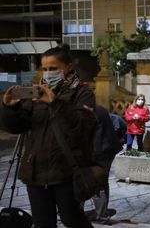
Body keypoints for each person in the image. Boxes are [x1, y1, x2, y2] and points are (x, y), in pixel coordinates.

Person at [0, 47, 96, 228]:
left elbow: (83, 126)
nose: (48, 73)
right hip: (35, 171)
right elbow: (16, 127)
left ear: (67, 67)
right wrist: (10, 108)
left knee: (72, 219)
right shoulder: (37, 93)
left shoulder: (81, 92)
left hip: (65, 170)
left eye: (53, 68)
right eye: (44, 69)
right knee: (43, 223)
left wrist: (55, 103)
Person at [89, 105, 123, 222]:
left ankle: (101, 214)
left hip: (100, 151)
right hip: (107, 149)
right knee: (102, 181)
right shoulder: (99, 108)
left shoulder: (87, 110)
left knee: (99, 182)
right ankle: (101, 212)